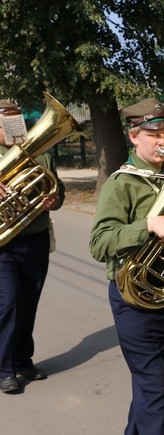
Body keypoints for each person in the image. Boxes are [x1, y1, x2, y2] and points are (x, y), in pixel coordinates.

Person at [89, 98, 164, 434]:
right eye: (154, 134)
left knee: (152, 383)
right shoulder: (121, 183)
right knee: (158, 390)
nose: (163, 140)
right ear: (134, 137)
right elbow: (99, 243)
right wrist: (147, 224)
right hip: (135, 301)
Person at [0, 100, 65, 394]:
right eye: (6, 124)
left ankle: (23, 361)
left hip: (36, 239)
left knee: (29, 303)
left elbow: (58, 191)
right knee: (10, 304)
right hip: (4, 246)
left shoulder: (42, 155)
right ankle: (4, 369)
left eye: (17, 122)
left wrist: (55, 200)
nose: (14, 129)